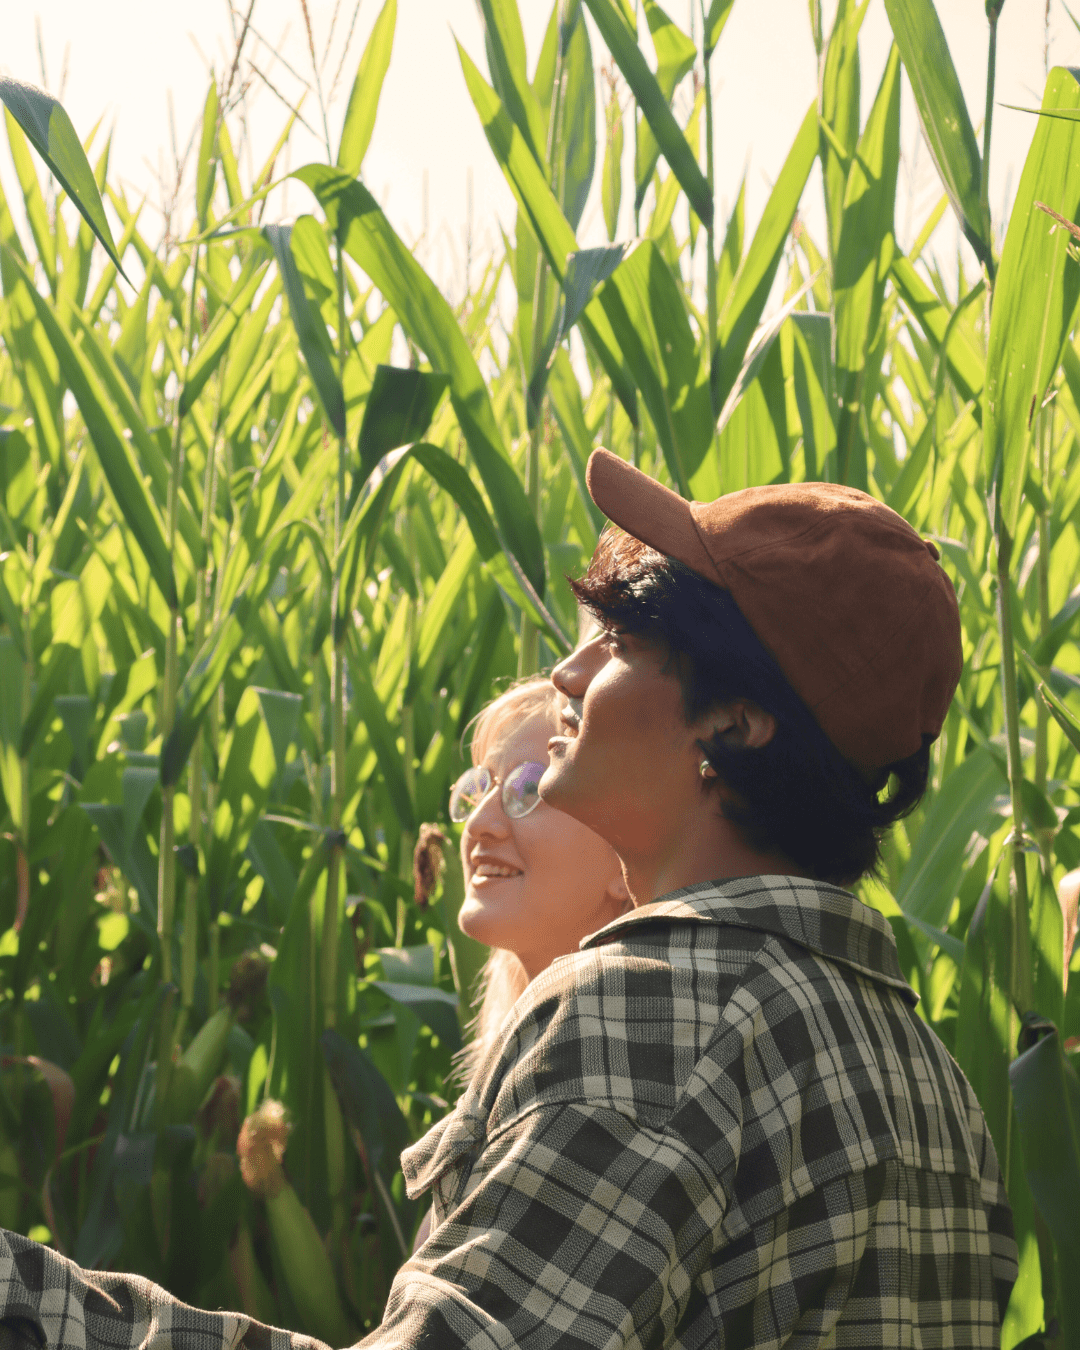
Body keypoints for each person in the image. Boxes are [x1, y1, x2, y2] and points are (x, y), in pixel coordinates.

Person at [0, 452, 1020, 1350]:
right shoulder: (933, 1082)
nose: (568, 674)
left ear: (736, 726)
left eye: (619, 645)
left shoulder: (658, 1009)